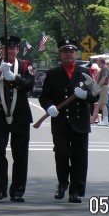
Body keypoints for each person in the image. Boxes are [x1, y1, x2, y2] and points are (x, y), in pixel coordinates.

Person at [39, 39, 97, 204]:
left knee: (80, 157)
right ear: (60, 54)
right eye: (65, 52)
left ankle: (76, 191)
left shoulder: (85, 72)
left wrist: (86, 96)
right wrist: (49, 106)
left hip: (80, 121)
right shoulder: (53, 73)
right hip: (61, 121)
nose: (68, 55)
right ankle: (63, 183)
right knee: (62, 154)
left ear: (75, 54)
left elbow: (96, 95)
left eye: (71, 52)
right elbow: (44, 96)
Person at [0, 35, 35, 202]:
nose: (10, 50)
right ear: (1, 49)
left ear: (17, 50)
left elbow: (30, 85)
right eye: (7, 48)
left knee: (20, 154)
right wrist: (0, 71)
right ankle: (0, 189)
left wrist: (15, 78)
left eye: (13, 48)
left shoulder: (26, 65)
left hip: (20, 116)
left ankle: (18, 190)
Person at [90, 58, 109, 126]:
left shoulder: (105, 68)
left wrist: (98, 86)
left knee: (103, 104)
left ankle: (105, 120)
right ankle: (93, 120)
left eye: (97, 61)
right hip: (102, 87)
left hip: (103, 87)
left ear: (101, 62)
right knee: (100, 104)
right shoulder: (103, 68)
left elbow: (104, 78)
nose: (97, 63)